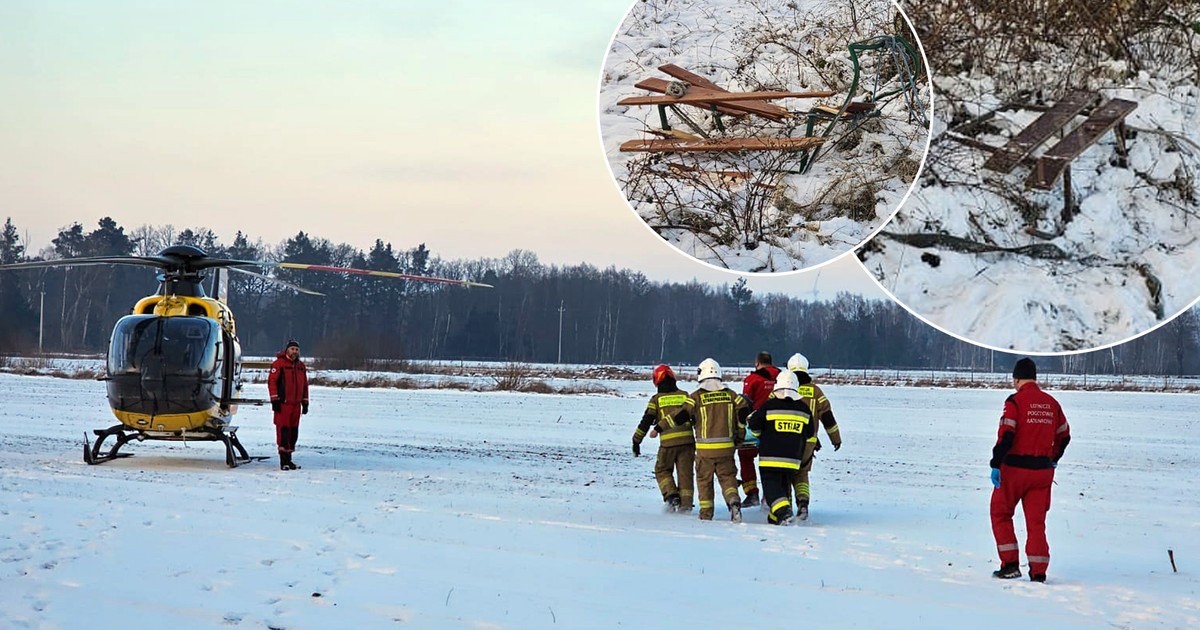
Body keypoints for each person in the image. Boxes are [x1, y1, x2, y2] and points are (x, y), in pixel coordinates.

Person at [990, 357, 1071, 583]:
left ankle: (1010, 565)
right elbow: (1065, 436)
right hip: (1042, 473)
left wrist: (996, 463)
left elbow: (1007, 434)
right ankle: (1038, 573)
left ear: (1016, 379)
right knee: (1036, 523)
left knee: (1000, 512)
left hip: (1014, 470)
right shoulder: (1052, 403)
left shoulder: (1014, 402)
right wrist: (1051, 459)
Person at [671, 358, 751, 522]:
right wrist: (740, 433)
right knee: (728, 478)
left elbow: (681, 416)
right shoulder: (731, 395)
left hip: (705, 451)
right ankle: (734, 501)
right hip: (727, 448)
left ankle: (706, 515)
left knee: (704, 482)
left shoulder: (696, 397)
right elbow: (744, 408)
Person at [747, 370, 815, 525]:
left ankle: (784, 512)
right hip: (793, 460)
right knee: (784, 488)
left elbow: (755, 427)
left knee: (772, 490)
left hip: (770, 459)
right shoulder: (804, 409)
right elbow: (810, 433)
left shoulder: (768, 406)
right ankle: (775, 518)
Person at [632, 364, 695, 512]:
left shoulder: (657, 399)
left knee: (662, 470)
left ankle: (671, 496)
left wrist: (636, 440)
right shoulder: (685, 395)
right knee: (685, 475)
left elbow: (646, 421)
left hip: (668, 444)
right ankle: (685, 506)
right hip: (688, 443)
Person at [786, 352, 842, 520]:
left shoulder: (784, 388)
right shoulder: (816, 392)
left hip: (786, 440)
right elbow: (827, 417)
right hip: (808, 443)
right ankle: (803, 503)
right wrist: (836, 439)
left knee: (785, 474)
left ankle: (784, 507)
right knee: (802, 475)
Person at [738, 351, 780, 508]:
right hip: (777, 426)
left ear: (757, 363)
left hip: (755, 425)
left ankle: (751, 493)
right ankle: (769, 496)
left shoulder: (752, 379)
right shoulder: (781, 377)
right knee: (771, 461)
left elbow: (746, 403)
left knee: (746, 456)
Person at [268, 339, 310, 471]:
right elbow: (272, 382)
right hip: (283, 404)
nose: (294, 352)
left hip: (296, 405)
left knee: (293, 433)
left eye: (296, 350)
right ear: (287, 350)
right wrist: (274, 400)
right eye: (292, 349)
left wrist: (305, 402)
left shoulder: (301, 366)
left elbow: (304, 385)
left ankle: (289, 459)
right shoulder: (279, 364)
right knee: (283, 432)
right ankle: (283, 461)